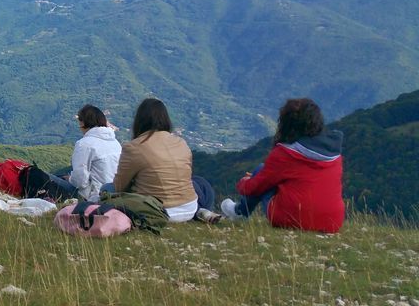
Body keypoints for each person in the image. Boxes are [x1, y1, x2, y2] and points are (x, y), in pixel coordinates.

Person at [220, 98, 344, 233]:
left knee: (261, 170)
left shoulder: (285, 153)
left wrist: (244, 183)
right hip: (332, 222)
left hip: (292, 218)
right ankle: (240, 212)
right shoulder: (334, 152)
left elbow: (256, 187)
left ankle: (240, 212)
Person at [110, 97, 210, 223]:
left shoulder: (134, 147)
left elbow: (119, 186)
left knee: (107, 188)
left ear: (139, 121)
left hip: (158, 210)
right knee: (199, 182)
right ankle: (202, 211)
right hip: (190, 207)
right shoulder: (181, 142)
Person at [67, 104, 122, 201]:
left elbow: (80, 181)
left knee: (48, 179)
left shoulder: (84, 144)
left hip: (95, 197)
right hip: (116, 194)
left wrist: (69, 179)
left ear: (83, 123)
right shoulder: (115, 142)